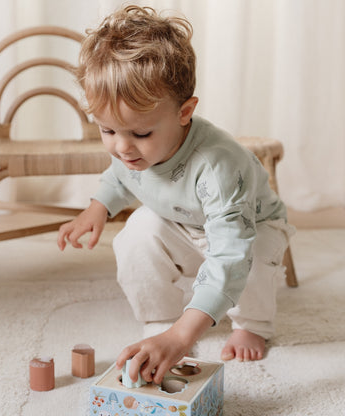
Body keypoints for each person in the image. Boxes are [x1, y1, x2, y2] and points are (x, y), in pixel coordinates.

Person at [57, 5, 295, 385]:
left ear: (185, 112)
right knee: (135, 233)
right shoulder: (129, 150)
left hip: (248, 226)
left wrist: (187, 337)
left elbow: (229, 254)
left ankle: (253, 323)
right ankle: (162, 319)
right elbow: (119, 176)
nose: (122, 147)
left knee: (250, 259)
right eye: (108, 131)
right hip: (184, 221)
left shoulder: (217, 166)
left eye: (140, 134)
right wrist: (97, 208)